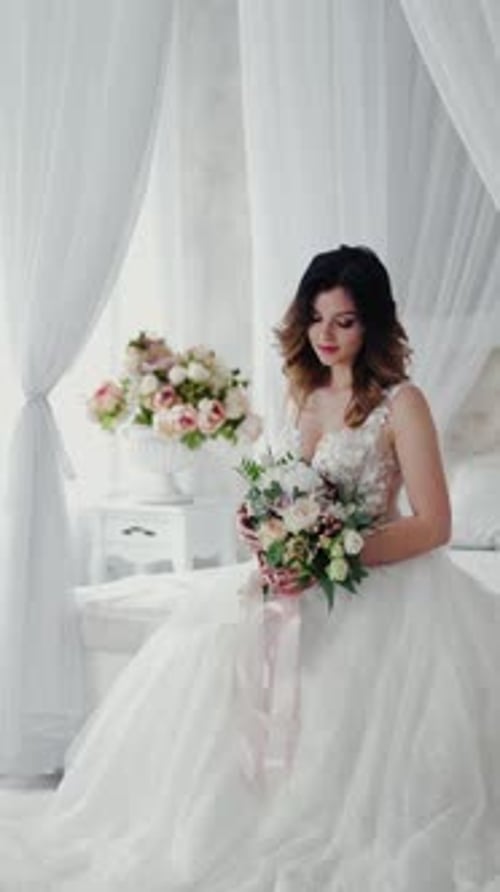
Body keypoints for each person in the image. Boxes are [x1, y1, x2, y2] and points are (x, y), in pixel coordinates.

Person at [1, 244, 500, 891]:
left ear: (372, 322)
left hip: (373, 583)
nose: (326, 335)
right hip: (288, 580)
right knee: (210, 662)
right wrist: (260, 523)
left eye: (343, 321)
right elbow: (285, 489)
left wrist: (330, 553)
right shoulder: (304, 394)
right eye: (316, 318)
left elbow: (435, 525)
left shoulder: (403, 403)